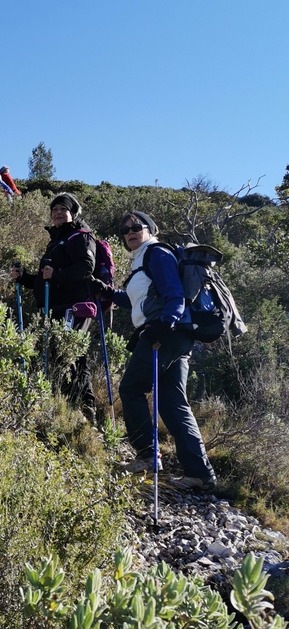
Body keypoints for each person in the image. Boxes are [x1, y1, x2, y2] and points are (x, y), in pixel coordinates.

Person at [94, 210, 217, 493]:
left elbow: (174, 293)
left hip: (164, 334)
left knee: (132, 388)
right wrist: (108, 292)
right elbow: (140, 302)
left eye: (136, 226)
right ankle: (200, 474)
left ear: (149, 229)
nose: (130, 232)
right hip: (175, 335)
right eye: (125, 230)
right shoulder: (142, 261)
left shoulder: (156, 253)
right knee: (173, 402)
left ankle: (148, 456)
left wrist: (166, 324)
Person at [11, 192, 97, 423]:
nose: (58, 213)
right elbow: (45, 280)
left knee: (69, 354)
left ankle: (84, 408)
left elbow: (86, 267)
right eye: (54, 210)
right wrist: (24, 279)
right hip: (56, 306)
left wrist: (57, 274)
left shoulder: (80, 236)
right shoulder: (56, 240)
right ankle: (73, 409)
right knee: (66, 355)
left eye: (63, 209)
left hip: (73, 306)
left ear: (72, 213)